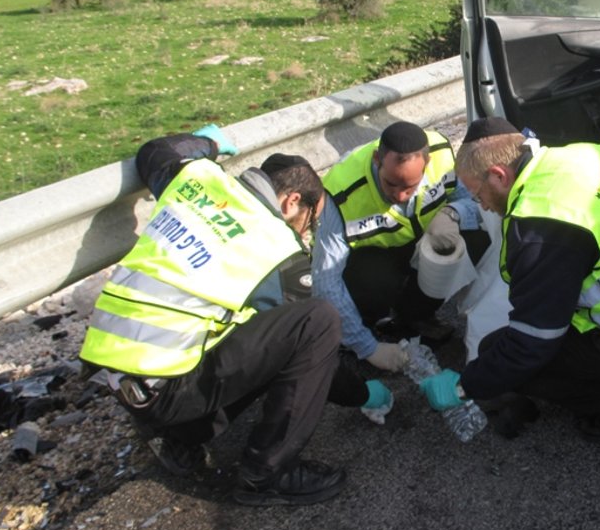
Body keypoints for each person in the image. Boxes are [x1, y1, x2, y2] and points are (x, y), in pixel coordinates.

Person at [80, 124, 385, 506]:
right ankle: (266, 473)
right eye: (312, 219)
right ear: (292, 201)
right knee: (316, 321)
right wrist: (361, 394)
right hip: (166, 389)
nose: (308, 232)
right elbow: (307, 354)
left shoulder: (199, 181)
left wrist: (209, 144)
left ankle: (179, 440)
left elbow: (155, 151)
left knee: (232, 328)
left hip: (116, 368)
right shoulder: (280, 254)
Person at [416, 117, 600, 442]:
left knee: (502, 350)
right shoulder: (586, 155)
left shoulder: (543, 222)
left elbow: (531, 343)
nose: (485, 206)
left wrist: (466, 385)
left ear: (499, 176)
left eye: (478, 195)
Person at [312, 121, 483, 371]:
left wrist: (453, 212)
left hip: (421, 241)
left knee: (474, 238)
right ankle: (361, 329)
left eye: (410, 185)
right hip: (372, 261)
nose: (401, 196)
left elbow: (476, 203)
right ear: (377, 160)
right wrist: (367, 347)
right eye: (391, 183)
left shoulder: (441, 156)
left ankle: (415, 316)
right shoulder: (341, 192)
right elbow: (325, 281)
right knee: (375, 281)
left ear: (427, 164)